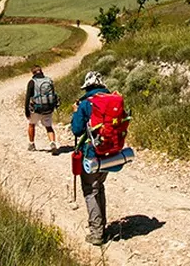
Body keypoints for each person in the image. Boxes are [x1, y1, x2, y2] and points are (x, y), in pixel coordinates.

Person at [71, 70, 111, 246]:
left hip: (92, 154)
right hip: (112, 153)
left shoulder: (86, 104)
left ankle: (96, 233)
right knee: (99, 187)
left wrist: (75, 112)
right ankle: (103, 227)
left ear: (88, 86)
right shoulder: (111, 99)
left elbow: (77, 129)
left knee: (90, 190)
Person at [25, 66, 59, 155]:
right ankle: (52, 142)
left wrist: (26, 110)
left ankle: (31, 144)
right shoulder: (49, 80)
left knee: (31, 124)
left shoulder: (32, 82)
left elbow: (28, 97)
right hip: (48, 108)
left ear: (33, 73)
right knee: (48, 127)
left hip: (37, 109)